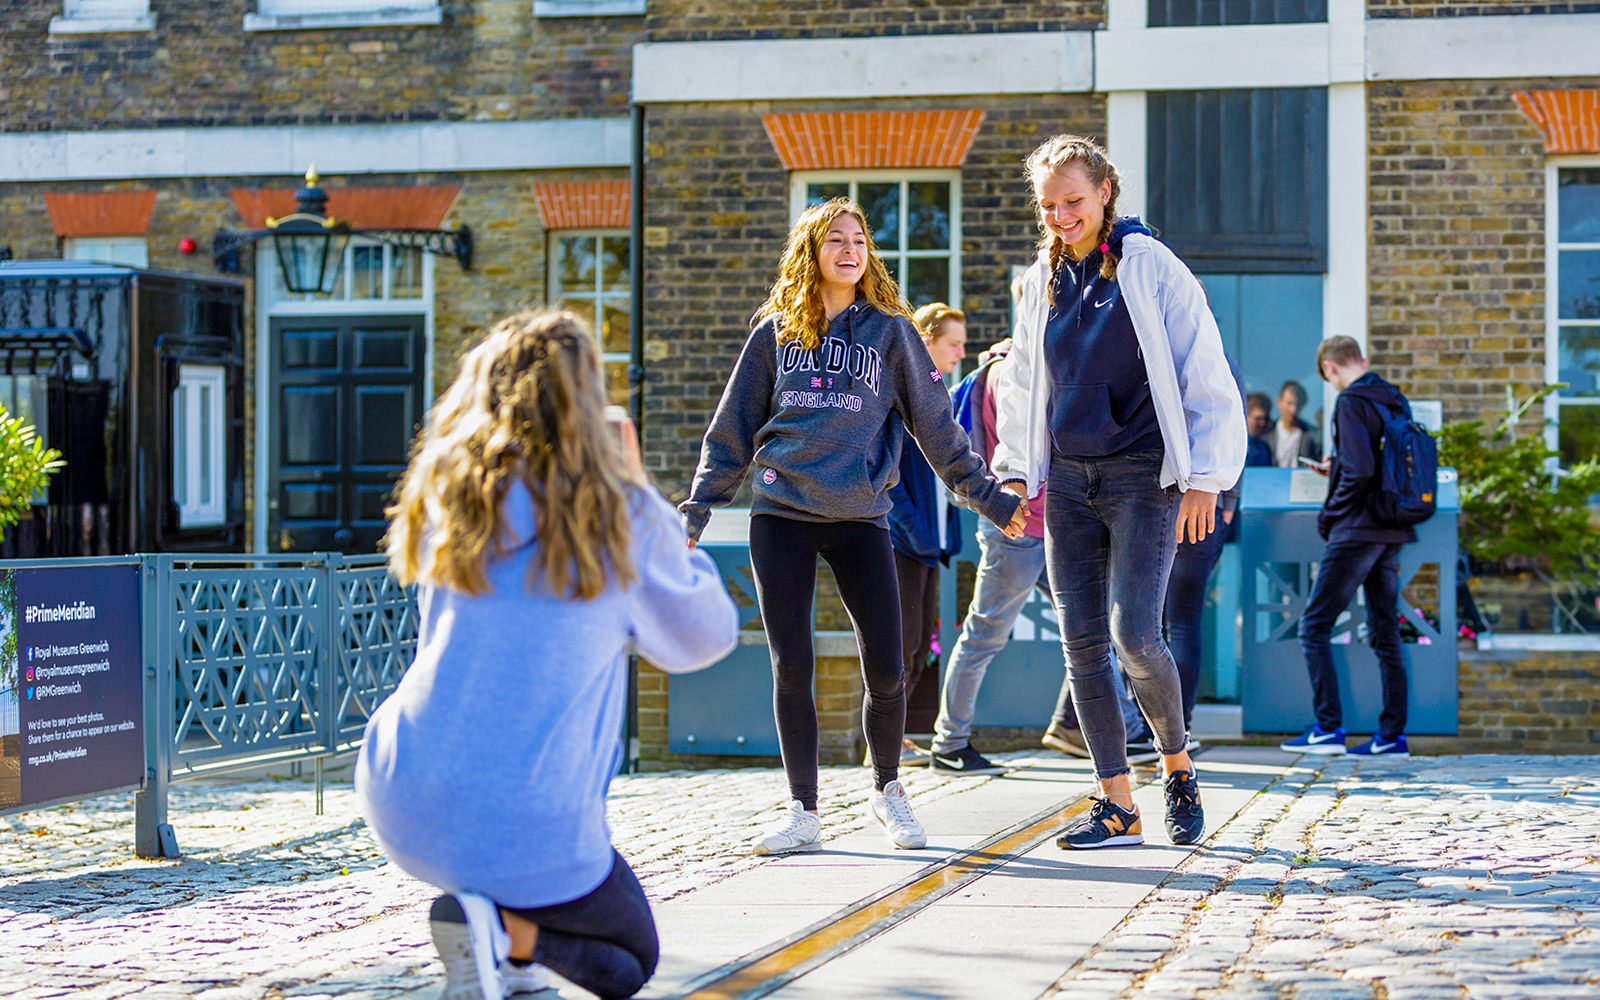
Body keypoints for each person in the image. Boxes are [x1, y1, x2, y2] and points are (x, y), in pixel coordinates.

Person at [356, 311, 740, 1000]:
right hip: (526, 817)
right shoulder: (617, 514)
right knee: (628, 959)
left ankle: (503, 953)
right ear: (588, 407)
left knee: (508, 862)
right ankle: (501, 934)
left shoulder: (452, 497)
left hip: (403, 789)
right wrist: (644, 491)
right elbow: (707, 636)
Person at [680, 198, 1027, 855]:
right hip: (780, 512)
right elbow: (731, 430)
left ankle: (888, 790)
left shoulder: (892, 334)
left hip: (863, 515)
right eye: (835, 239)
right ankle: (802, 810)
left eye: (859, 239)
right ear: (811, 253)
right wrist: (699, 507)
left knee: (888, 668)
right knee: (792, 665)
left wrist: (989, 498)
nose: (850, 249)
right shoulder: (775, 332)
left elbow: (937, 428)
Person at [993, 134, 1246, 850]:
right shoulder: (1042, 276)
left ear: (1105, 191)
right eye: (1048, 206)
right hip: (1069, 480)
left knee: (1136, 634)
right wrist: (1016, 470)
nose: (1061, 216)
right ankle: (1117, 804)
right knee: (1081, 645)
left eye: (1072, 201)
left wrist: (1205, 480)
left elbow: (1206, 369)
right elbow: (1020, 382)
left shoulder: (1151, 267)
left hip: (1143, 474)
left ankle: (1178, 767)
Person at [931, 336, 1148, 775]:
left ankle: (1121, 728)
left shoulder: (1003, 369)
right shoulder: (1014, 371)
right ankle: (949, 742)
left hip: (1047, 527)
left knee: (1091, 627)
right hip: (1019, 527)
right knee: (985, 634)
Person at [1281, 335, 1416, 758]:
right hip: (1392, 528)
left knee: (1314, 626)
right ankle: (1392, 737)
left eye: (1328, 377)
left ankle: (1328, 728)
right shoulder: (1394, 400)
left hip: (1357, 531)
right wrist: (1335, 467)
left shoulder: (1350, 402)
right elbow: (1378, 465)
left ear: (1331, 368)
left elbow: (1359, 472)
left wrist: (1329, 514)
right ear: (1361, 358)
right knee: (1385, 632)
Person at [888, 302, 968, 768]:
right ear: (927, 342)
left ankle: (895, 738)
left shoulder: (943, 398)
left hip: (931, 545)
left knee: (919, 646)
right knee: (901, 644)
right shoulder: (903, 399)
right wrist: (916, 530)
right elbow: (891, 477)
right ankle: (885, 744)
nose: (961, 351)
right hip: (904, 543)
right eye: (953, 343)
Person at [1265, 380, 1322, 469]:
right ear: (1279, 402)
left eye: (1297, 404)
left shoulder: (1313, 436)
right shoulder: (1266, 435)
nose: (1293, 409)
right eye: (1289, 403)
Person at [1245, 392, 1274, 468]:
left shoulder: (1264, 447)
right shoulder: (1233, 445)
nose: (1262, 423)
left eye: (1265, 419)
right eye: (1257, 419)